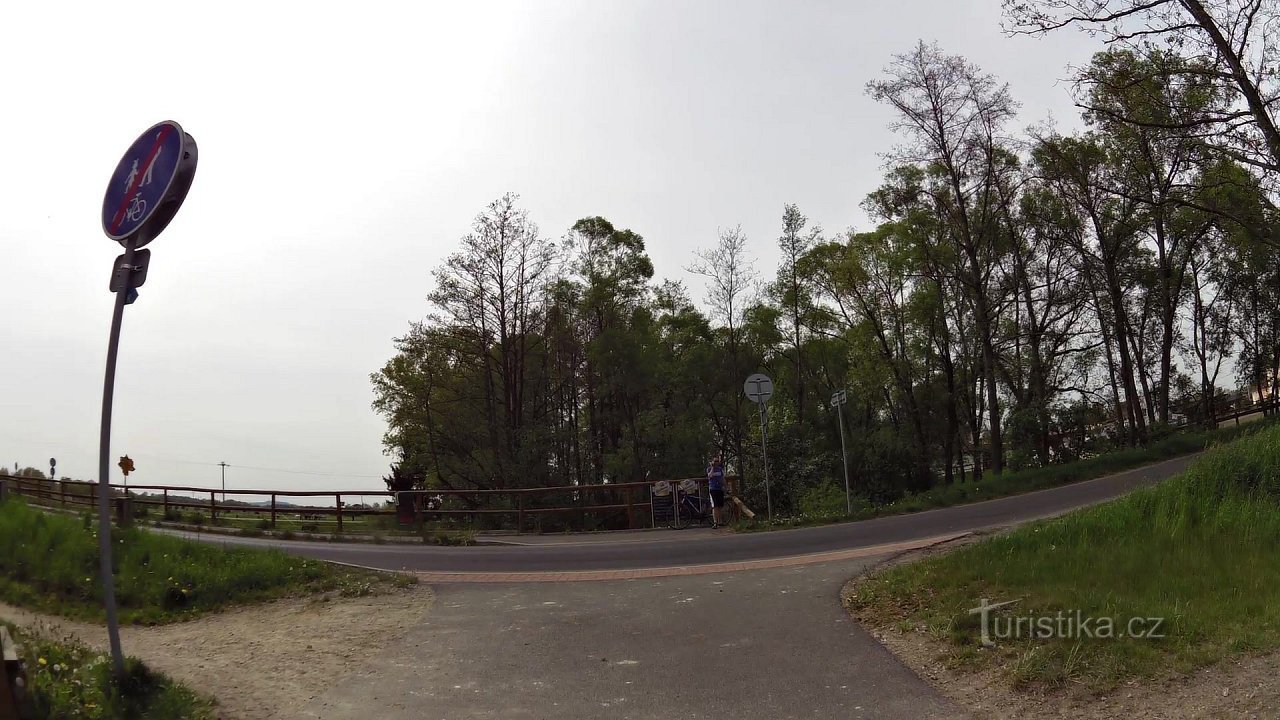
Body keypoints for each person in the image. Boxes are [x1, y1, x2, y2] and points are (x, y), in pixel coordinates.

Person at [706, 455, 726, 528]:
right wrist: (713, 467)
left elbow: (723, 478)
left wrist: (725, 486)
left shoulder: (720, 469)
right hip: (713, 489)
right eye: (715, 461)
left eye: (717, 461)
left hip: (720, 489)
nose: (716, 462)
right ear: (712, 462)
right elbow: (710, 476)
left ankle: (720, 521)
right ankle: (715, 522)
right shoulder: (709, 469)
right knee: (715, 506)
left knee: (720, 506)